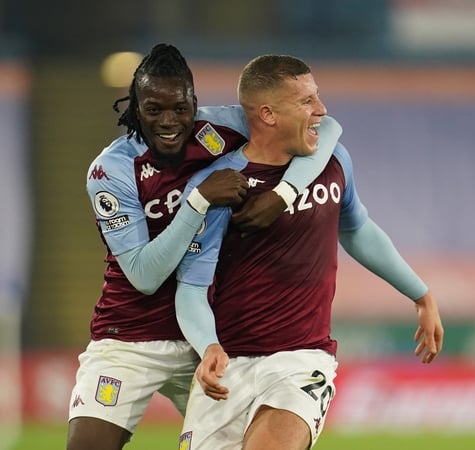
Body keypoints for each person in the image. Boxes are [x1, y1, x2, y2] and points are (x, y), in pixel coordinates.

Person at [67, 43, 342, 450]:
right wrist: (198, 201)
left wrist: (284, 193)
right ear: (134, 108)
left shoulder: (219, 130)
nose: (168, 121)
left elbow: (329, 128)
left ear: (194, 102)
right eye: (153, 109)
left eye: (180, 108)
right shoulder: (112, 170)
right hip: (130, 333)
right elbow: (144, 277)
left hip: (208, 338)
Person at [173, 54, 444, 450]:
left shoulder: (332, 161)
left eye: (317, 97)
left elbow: (357, 229)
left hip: (301, 360)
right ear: (267, 114)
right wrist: (208, 346)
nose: (321, 110)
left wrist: (421, 294)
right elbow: (192, 287)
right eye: (306, 102)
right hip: (230, 364)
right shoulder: (219, 186)